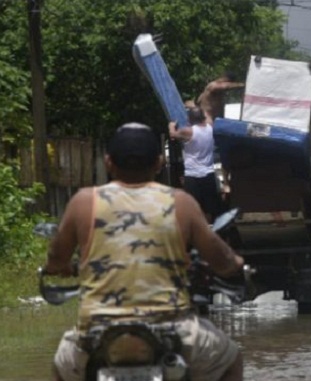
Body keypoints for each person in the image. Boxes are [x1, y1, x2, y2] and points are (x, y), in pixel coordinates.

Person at [46, 123, 245, 381]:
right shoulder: (180, 202)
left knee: (60, 367)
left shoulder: (83, 201)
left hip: (97, 333)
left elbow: (56, 259)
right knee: (231, 360)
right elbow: (222, 260)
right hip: (173, 330)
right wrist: (236, 264)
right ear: (159, 163)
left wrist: (59, 267)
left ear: (108, 163)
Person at [169, 106, 222, 224]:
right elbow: (208, 113)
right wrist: (194, 106)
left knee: (193, 208)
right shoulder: (211, 128)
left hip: (192, 175)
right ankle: (209, 231)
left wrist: (171, 125)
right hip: (208, 173)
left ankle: (196, 233)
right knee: (209, 208)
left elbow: (173, 135)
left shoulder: (188, 131)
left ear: (190, 119)